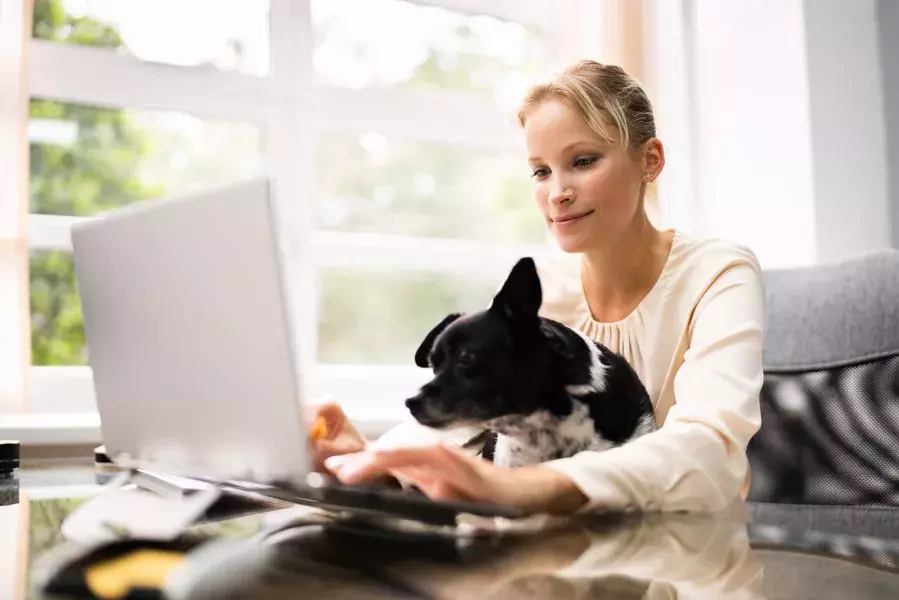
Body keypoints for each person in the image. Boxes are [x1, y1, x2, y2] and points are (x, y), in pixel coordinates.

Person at [308, 60, 765, 515]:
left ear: (650, 160)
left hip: (693, 548)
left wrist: (527, 487)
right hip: (570, 541)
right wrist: (371, 461)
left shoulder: (719, 273)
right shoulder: (544, 287)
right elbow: (470, 409)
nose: (557, 192)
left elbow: (710, 447)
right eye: (541, 171)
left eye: (582, 162)